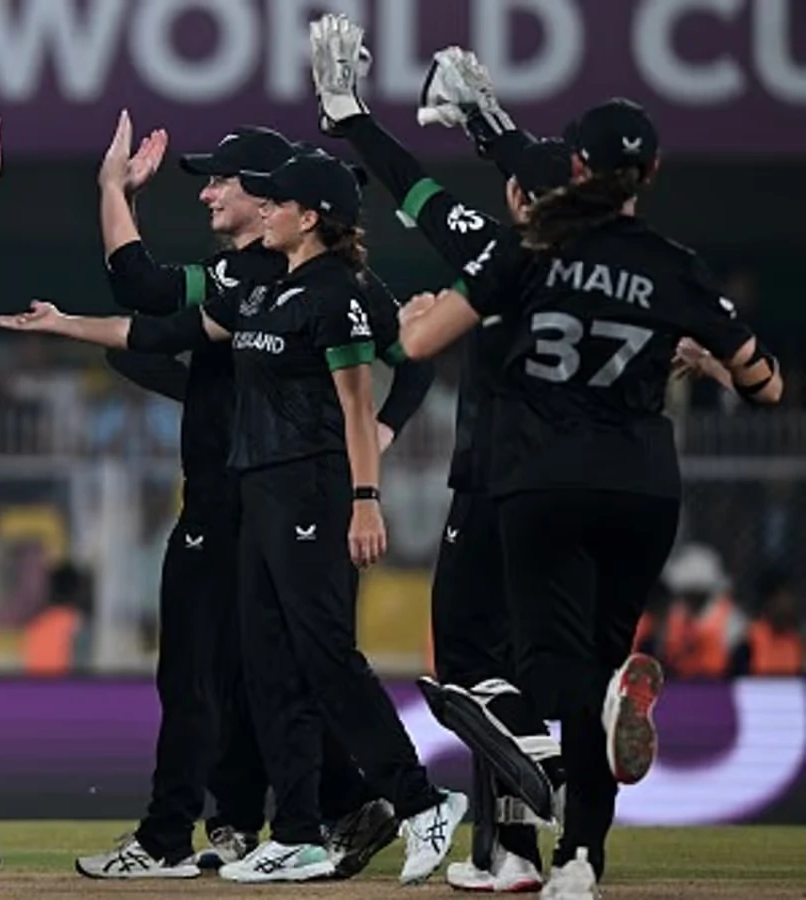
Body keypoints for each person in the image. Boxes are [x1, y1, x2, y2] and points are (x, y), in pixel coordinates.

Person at [0, 149, 467, 886]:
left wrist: (367, 491)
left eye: (271, 200)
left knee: (318, 659)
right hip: (257, 488)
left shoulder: (336, 292)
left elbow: (364, 394)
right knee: (271, 669)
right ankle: (298, 832)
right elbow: (154, 335)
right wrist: (63, 324)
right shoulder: (258, 290)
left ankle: (419, 800)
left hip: (308, 490)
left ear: (307, 216)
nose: (255, 207)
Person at [393, 95, 782, 898]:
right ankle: (578, 862)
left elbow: (423, 342)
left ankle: (593, 730)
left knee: (549, 666)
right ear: (652, 172)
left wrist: (414, 319)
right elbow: (764, 384)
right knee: (603, 658)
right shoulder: (673, 264)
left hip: (546, 479)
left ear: (575, 166)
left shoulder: (531, 247)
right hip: (645, 487)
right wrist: (707, 361)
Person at [309, 19, 572, 891]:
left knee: (468, 671)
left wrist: (350, 117)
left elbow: (413, 187)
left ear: (519, 201)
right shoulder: (619, 264)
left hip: (496, 481)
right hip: (584, 486)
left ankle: (551, 772)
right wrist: (493, 129)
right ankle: (514, 855)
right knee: (516, 676)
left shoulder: (500, 253)